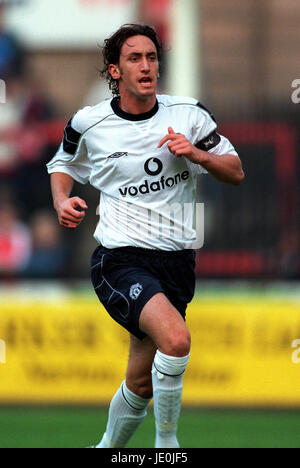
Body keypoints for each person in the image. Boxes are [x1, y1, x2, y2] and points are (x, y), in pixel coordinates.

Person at [47, 24, 244, 448]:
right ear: (114, 70)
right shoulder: (90, 122)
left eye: (152, 57)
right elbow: (62, 161)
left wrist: (197, 154)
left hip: (176, 262)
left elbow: (236, 172)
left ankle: (106, 450)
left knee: (141, 383)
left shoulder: (188, 114)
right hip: (120, 259)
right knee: (177, 340)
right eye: (135, 58)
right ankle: (167, 446)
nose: (146, 65)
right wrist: (62, 200)